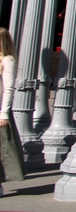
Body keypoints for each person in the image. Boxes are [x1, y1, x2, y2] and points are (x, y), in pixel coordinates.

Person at [0, 28, 25, 194]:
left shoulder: (7, 60)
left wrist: (3, 113)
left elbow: (8, 88)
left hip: (0, 109)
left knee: (4, 150)